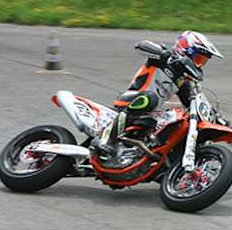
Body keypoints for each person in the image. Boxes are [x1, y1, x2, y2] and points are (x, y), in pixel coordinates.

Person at [93, 30, 224, 156]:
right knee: (150, 99)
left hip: (149, 112)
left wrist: (215, 118)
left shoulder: (181, 81)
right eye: (198, 59)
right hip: (131, 99)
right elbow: (141, 45)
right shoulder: (163, 59)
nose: (199, 65)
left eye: (202, 62)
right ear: (185, 50)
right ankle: (107, 140)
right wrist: (163, 54)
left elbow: (191, 101)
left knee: (175, 118)